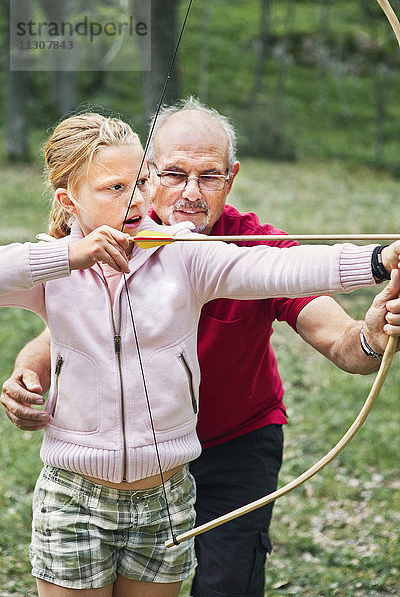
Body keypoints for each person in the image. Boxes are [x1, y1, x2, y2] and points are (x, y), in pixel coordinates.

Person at [2, 102, 400, 597]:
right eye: (117, 187)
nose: (137, 201)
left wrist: (380, 261)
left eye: (139, 184)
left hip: (194, 469)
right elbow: (68, 330)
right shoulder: (60, 267)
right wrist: (67, 257)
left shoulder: (188, 254)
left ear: (230, 178)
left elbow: (285, 272)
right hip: (80, 486)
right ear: (70, 200)